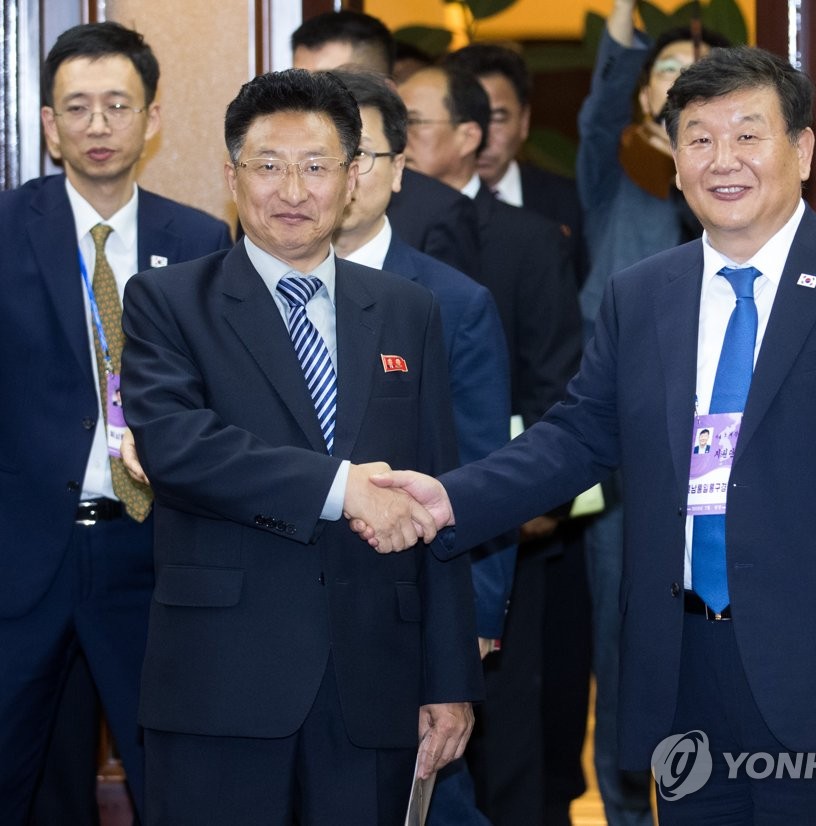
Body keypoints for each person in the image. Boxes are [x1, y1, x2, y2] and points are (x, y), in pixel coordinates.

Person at [358, 46, 816, 825]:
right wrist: (449, 498)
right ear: (675, 161)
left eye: (748, 135)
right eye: (699, 139)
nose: (723, 160)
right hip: (682, 664)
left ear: (802, 150)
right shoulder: (644, 293)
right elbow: (576, 436)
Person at [119, 68, 481, 824]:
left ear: (352, 178)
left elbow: (438, 495)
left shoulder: (409, 311)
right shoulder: (167, 301)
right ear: (232, 176)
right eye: (268, 165)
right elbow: (178, 447)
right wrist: (343, 488)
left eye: (316, 166)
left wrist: (449, 679)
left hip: (373, 681)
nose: (292, 190)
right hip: (221, 680)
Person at [0, 21, 232, 824]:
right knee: (22, 781)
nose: (97, 124)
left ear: (152, 117)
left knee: (172, 777)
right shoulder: (5, 230)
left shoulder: (199, 240)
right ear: (48, 124)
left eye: (117, 105)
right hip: (24, 553)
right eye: (77, 107)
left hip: (151, 550)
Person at [397, 63, 583, 826]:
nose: (399, 140)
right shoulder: (368, 239)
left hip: (505, 528)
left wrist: (525, 500)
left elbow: (556, 387)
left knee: (505, 727)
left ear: (469, 135)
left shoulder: (528, 239)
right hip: (399, 520)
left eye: (413, 124)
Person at [330, 67, 515, 825]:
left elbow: (483, 475)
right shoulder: (250, 294)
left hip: (409, 609)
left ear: (400, 168)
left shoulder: (454, 303)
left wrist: (472, 630)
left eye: (361, 154)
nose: (342, 175)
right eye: (322, 155)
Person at [575, 5, 729, 822]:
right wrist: (623, 23)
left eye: (698, 74)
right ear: (644, 98)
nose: (681, 83)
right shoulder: (613, 188)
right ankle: (628, 809)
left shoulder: (736, 199)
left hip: (726, 459)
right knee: (621, 644)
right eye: (666, 73)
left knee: (721, 639)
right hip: (625, 468)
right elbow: (597, 120)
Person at [291, 10, 481, 281]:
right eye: (301, 87)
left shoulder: (440, 214)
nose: (310, 102)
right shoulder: (274, 201)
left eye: (333, 84)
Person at [443, 43, 587, 287]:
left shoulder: (568, 203)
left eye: (498, 118)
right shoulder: (422, 204)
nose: (483, 137)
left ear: (524, 121)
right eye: (469, 118)